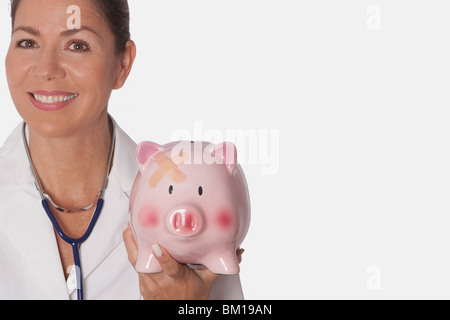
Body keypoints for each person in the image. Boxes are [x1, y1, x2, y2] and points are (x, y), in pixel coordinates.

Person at [0, 0, 244, 300]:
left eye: (76, 45)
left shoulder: (194, 198)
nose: (46, 70)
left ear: (123, 65)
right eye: (27, 42)